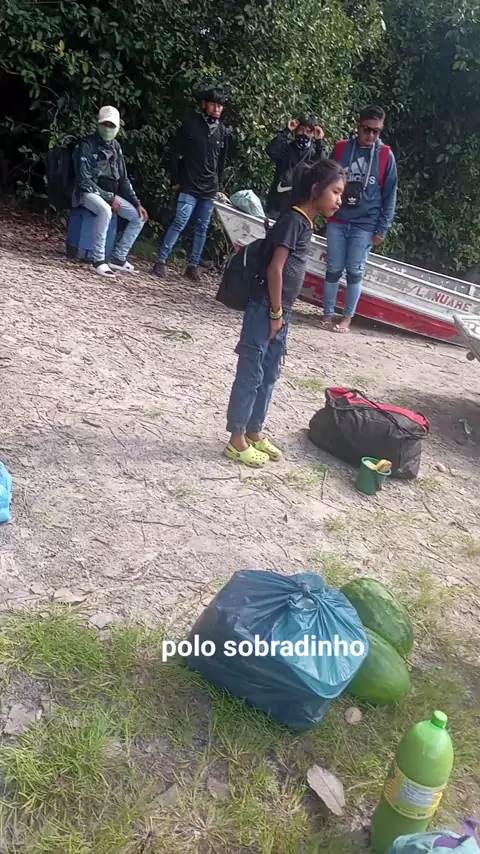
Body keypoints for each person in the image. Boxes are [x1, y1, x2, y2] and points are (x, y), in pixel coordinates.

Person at [224, 159, 345, 468]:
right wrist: (276, 313)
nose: (339, 200)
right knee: (251, 372)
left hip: (281, 312)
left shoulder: (305, 223)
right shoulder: (293, 220)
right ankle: (236, 439)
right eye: (335, 192)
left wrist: (282, 314)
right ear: (316, 190)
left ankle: (254, 430)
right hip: (266, 309)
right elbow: (275, 269)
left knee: (269, 373)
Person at [321, 105, 398, 332]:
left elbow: (390, 194)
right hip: (339, 218)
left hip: (365, 222)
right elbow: (326, 180)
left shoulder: (385, 155)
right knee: (333, 267)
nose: (371, 135)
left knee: (355, 271)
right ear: (358, 125)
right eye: (367, 129)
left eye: (377, 131)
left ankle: (347, 318)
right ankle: (327, 314)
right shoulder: (341, 148)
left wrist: (383, 228)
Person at [152, 86, 230, 283]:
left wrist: (218, 186)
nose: (216, 109)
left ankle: (193, 266)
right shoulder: (191, 124)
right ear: (204, 104)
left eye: (220, 105)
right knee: (180, 221)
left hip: (209, 187)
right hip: (189, 183)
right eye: (213, 104)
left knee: (202, 227)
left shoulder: (222, 131)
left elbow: (221, 162)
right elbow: (174, 152)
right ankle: (161, 261)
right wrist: (175, 180)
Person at [72, 106, 148, 277]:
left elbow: (123, 179)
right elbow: (83, 180)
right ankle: (98, 260)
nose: (108, 128)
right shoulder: (86, 145)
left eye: (112, 125)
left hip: (110, 193)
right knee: (105, 210)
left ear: (117, 127)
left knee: (138, 217)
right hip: (87, 192)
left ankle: (118, 258)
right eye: (105, 124)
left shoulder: (116, 147)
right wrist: (108, 197)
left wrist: (136, 203)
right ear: (98, 124)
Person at [265, 114, 328, 220]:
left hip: (299, 209)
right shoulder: (286, 149)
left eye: (308, 131)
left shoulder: (314, 155)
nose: (304, 134)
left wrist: (319, 142)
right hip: (276, 205)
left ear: (313, 134)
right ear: (295, 130)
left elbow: (324, 170)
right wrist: (287, 130)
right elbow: (271, 150)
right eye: (301, 130)